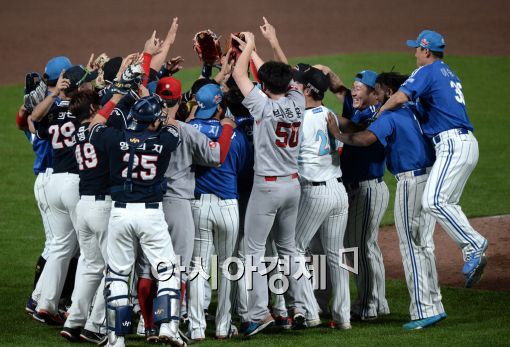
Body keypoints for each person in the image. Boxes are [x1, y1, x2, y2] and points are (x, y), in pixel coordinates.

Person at [328, 71, 447, 330]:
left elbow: (364, 138)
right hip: (430, 178)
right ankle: (431, 304)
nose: (377, 96)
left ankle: (409, 309)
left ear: (389, 93)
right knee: (422, 245)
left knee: (404, 248)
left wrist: (336, 133)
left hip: (405, 182)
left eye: (379, 91)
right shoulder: (414, 109)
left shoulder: (388, 115)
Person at [377, 30, 488, 287]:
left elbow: (401, 96)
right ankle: (471, 251)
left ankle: (474, 245)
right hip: (465, 143)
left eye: (417, 48)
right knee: (448, 202)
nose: (414, 52)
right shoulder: (448, 73)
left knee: (434, 201)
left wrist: (381, 111)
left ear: (426, 51)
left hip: (452, 144)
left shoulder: (426, 71)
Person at [89, 93, 184, 347]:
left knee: (118, 275)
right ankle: (168, 327)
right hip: (151, 214)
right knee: (167, 272)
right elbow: (172, 125)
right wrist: (169, 110)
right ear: (154, 122)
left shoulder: (114, 137)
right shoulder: (165, 139)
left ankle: (116, 339)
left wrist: (118, 94)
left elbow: (94, 125)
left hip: (119, 214)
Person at [232, 31, 307, 336]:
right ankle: (302, 306)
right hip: (293, 185)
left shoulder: (261, 105)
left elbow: (238, 73)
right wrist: (271, 43)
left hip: (267, 188)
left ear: (263, 85)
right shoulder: (298, 100)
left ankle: (258, 313)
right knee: (289, 248)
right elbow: (285, 75)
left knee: (253, 249)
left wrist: (248, 46)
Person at [30, 64, 97, 325]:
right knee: (86, 250)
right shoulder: (82, 111)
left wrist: (54, 94)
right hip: (75, 185)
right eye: (87, 82)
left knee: (60, 246)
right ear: (79, 87)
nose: (90, 86)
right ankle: (76, 308)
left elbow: (33, 121)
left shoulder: (56, 108)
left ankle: (45, 304)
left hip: (54, 181)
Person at [187, 83, 251, 340]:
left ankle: (196, 326)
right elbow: (243, 170)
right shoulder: (236, 136)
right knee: (227, 266)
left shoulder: (189, 130)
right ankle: (224, 326)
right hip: (228, 206)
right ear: (220, 107)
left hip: (198, 205)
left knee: (198, 267)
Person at [293, 67, 351, 329]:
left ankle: (311, 311)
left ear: (306, 90)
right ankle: (343, 318)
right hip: (339, 191)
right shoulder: (329, 115)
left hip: (315, 192)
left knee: (293, 248)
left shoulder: (300, 120)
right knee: (336, 255)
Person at [334, 69, 390, 320]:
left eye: (359, 87)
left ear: (373, 93)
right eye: (354, 85)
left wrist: (336, 131)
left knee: (356, 248)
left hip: (367, 187)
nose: (353, 90)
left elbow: (357, 132)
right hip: (363, 187)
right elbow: (335, 84)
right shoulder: (358, 108)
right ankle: (378, 301)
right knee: (366, 247)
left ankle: (366, 305)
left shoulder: (375, 115)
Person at [59, 90, 110, 344]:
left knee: (90, 267)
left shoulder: (77, 133)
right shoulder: (99, 132)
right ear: (92, 109)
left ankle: (74, 321)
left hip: (83, 207)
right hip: (103, 207)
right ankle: (95, 325)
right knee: (114, 269)